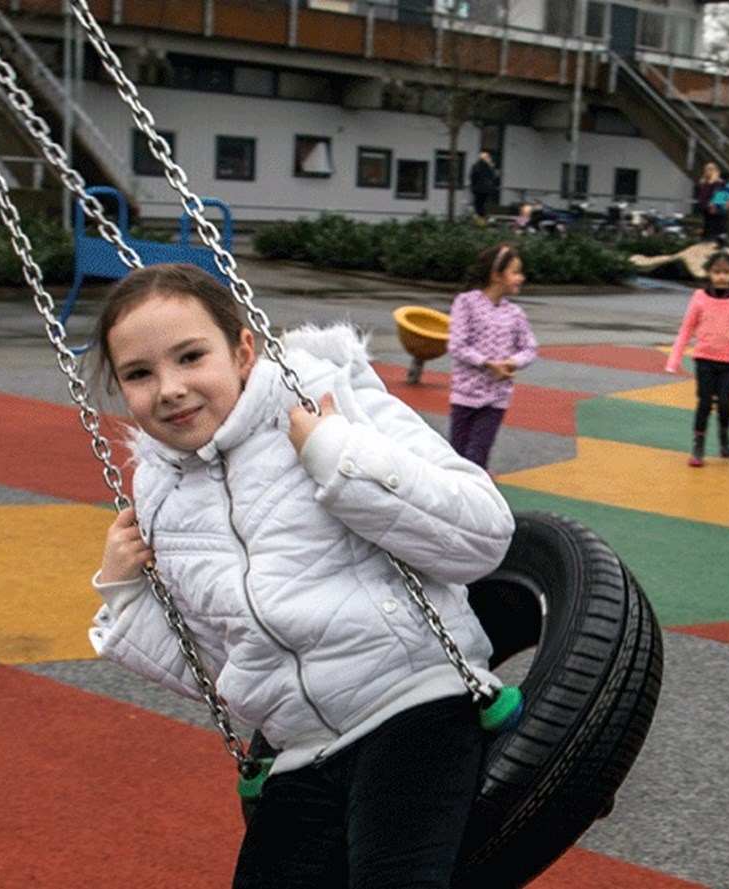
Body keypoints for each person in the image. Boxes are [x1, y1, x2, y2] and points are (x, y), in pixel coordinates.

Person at [86, 263, 515, 886]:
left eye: (190, 356)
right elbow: (227, 662)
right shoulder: (157, 491)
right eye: (140, 374)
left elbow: (482, 535)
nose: (171, 388)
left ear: (242, 350)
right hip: (299, 748)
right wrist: (126, 596)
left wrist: (337, 456)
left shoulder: (326, 399)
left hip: (414, 703)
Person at [449, 243, 538, 471]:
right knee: (456, 455)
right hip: (464, 394)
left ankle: (477, 499)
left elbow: (530, 348)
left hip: (496, 398)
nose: (521, 278)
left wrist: (511, 362)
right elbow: (457, 345)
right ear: (496, 274)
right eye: (515, 272)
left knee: (477, 455)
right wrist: (489, 364)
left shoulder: (515, 313)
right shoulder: (466, 303)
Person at [665, 251, 729, 467]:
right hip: (704, 359)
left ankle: (724, 435)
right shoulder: (700, 297)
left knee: (725, 404)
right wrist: (674, 359)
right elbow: (686, 329)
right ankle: (698, 446)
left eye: (726, 272)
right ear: (709, 273)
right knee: (704, 403)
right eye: (717, 272)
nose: (722, 277)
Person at [693, 162, 729, 244]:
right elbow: (702, 194)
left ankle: (714, 239)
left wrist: (713, 205)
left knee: (714, 225)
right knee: (707, 224)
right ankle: (706, 238)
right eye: (706, 169)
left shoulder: (719, 183)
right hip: (705, 207)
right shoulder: (704, 182)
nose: (707, 171)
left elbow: (719, 197)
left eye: (710, 170)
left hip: (714, 208)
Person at [468, 150, 500, 220]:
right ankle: (483, 219)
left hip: (478, 189)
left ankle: (481, 219)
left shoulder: (476, 166)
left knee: (478, 206)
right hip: (486, 190)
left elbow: (472, 177)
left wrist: (473, 187)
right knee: (483, 206)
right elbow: (493, 177)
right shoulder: (489, 167)